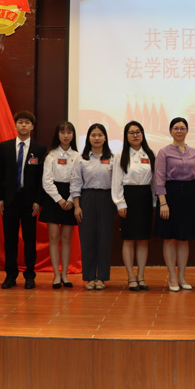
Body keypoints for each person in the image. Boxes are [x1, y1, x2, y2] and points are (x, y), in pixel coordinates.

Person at [0, 110, 47, 290]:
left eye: (27, 122)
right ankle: (10, 275)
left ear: (32, 126)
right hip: (9, 201)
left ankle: (30, 275)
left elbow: (42, 178)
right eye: (20, 122)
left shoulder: (39, 149)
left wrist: (38, 201)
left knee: (29, 240)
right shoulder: (5, 147)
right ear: (15, 125)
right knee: (10, 240)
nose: (23, 125)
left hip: (29, 202)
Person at [154, 117, 195, 292]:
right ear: (170, 131)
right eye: (176, 128)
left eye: (182, 128)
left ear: (187, 130)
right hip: (171, 196)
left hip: (189, 196)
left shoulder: (194, 153)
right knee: (170, 238)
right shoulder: (163, 152)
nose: (179, 131)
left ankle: (182, 276)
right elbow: (159, 178)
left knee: (184, 239)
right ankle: (172, 277)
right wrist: (163, 203)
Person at [111, 120, 156, 291]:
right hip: (128, 198)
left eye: (138, 132)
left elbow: (154, 181)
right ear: (126, 136)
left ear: (142, 134)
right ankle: (131, 277)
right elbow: (116, 181)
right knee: (129, 239)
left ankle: (141, 277)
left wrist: (154, 202)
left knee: (143, 239)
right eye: (131, 132)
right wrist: (120, 203)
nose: (135, 135)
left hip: (145, 197)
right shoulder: (120, 155)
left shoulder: (150, 154)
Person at [71, 123, 115, 291]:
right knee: (87, 239)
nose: (97, 138)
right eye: (93, 135)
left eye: (100, 135)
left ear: (105, 138)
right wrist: (77, 206)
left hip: (107, 198)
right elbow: (76, 182)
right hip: (87, 198)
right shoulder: (81, 158)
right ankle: (89, 277)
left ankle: (102, 277)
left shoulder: (113, 158)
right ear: (88, 138)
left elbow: (117, 182)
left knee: (104, 239)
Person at [40, 121, 79, 289]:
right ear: (58, 135)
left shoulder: (77, 156)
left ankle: (65, 274)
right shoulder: (51, 155)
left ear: (73, 135)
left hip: (71, 196)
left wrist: (70, 199)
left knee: (66, 239)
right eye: (62, 132)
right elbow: (46, 181)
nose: (66, 135)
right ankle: (56, 274)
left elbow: (77, 180)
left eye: (69, 132)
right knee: (54, 238)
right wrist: (60, 199)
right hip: (53, 198)